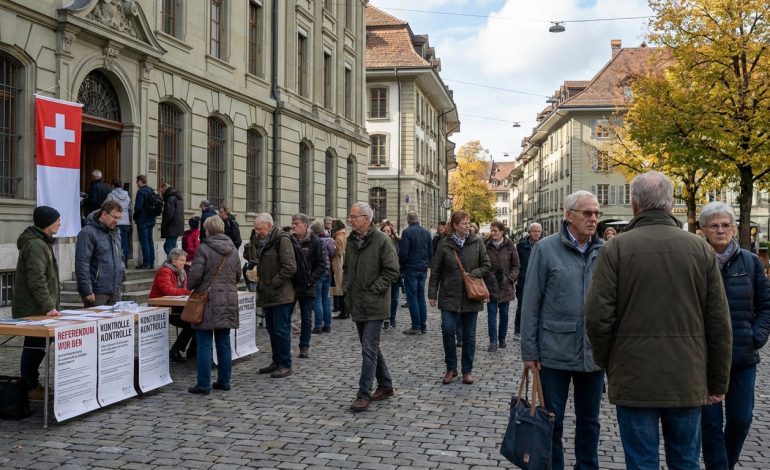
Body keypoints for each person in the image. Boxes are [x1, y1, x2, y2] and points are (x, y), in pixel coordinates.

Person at [584, 172, 732, 470]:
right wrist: (717, 380)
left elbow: (598, 317)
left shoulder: (616, 248)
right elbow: (719, 321)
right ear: (669, 203)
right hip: (687, 375)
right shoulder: (700, 248)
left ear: (635, 205)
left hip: (633, 373)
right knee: (686, 460)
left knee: (641, 462)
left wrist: (609, 363)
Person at [520, 191, 604, 470]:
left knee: (590, 421)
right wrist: (529, 351)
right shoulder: (545, 249)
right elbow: (531, 302)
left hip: (593, 354)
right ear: (569, 216)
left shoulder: (604, 250)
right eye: (587, 213)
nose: (593, 219)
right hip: (553, 351)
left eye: (596, 213)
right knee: (551, 420)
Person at [698, 202, 770, 469]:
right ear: (703, 230)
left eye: (726, 225)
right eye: (714, 226)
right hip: (705, 358)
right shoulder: (697, 261)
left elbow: (766, 305)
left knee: (741, 419)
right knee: (710, 422)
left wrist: (756, 336)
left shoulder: (750, 262)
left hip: (742, 356)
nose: (720, 230)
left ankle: (726, 463)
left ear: (734, 228)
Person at [344, 202, 400, 411]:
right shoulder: (351, 241)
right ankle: (385, 385)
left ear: (366, 219)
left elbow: (392, 271)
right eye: (351, 216)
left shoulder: (382, 240)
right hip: (357, 302)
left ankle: (363, 394)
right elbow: (347, 269)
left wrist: (375, 290)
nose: (351, 219)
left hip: (375, 304)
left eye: (354, 216)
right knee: (371, 348)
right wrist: (348, 292)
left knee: (368, 348)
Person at [429, 210, 491, 385]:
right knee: (448, 330)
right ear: (455, 226)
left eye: (468, 223)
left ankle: (467, 371)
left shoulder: (477, 242)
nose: (467, 226)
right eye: (464, 223)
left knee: (469, 335)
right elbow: (436, 271)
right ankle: (451, 368)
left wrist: (473, 274)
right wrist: (432, 293)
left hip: (471, 295)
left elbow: (487, 265)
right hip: (449, 294)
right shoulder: (444, 244)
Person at [186, 215, 241, 394]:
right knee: (224, 342)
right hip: (228, 299)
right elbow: (238, 275)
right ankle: (224, 380)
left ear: (207, 230)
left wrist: (190, 285)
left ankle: (203, 384)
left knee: (204, 343)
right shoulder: (233, 249)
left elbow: (194, 277)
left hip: (208, 300)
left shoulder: (204, 248)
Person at [13, 206, 61, 399]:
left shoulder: (42, 242)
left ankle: (31, 383)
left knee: (38, 347)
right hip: (33, 309)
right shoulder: (36, 245)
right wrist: (49, 306)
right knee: (34, 347)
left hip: (38, 308)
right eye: (57, 220)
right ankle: (29, 385)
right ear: (47, 223)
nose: (59, 223)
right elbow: (37, 279)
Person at [253, 213, 297, 378]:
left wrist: (273, 283)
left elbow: (290, 267)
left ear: (269, 226)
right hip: (269, 294)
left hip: (280, 294)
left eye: (259, 229)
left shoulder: (282, 240)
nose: (257, 232)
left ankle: (285, 364)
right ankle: (276, 361)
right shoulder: (266, 241)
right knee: (272, 330)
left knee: (281, 330)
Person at [76, 200, 126, 307]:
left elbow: (120, 256)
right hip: (97, 291)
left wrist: (121, 277)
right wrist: (86, 290)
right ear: (104, 214)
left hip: (115, 289)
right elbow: (82, 263)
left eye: (119, 218)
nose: (116, 221)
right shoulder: (87, 232)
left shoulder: (116, 232)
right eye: (114, 217)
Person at [149, 248, 194, 362]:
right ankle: (175, 351)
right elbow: (168, 291)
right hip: (161, 308)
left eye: (184, 260)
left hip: (175, 306)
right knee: (192, 323)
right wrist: (189, 292)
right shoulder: (164, 271)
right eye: (181, 260)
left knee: (197, 320)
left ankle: (192, 351)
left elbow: (183, 289)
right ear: (174, 261)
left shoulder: (181, 272)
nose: (184, 263)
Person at [291, 213, 326, 358]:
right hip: (291, 285)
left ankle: (304, 346)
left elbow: (322, 265)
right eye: (292, 223)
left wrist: (310, 280)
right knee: (285, 317)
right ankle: (285, 347)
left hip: (307, 286)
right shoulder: (290, 240)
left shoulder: (315, 242)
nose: (293, 226)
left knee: (306, 318)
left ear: (305, 225)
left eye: (296, 223)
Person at [484, 221, 520, 352]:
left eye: (495, 231)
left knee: (504, 315)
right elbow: (482, 263)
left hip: (506, 286)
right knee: (491, 315)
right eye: (491, 230)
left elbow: (516, 265)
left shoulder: (510, 246)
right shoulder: (486, 245)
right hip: (491, 286)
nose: (493, 233)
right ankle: (493, 341)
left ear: (501, 232)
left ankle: (502, 339)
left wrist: (510, 278)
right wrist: (487, 276)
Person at [399, 210, 433, 335]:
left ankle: (416, 326)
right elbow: (431, 252)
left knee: (412, 297)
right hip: (423, 269)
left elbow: (403, 253)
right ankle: (423, 326)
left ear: (408, 220)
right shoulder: (426, 233)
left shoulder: (407, 232)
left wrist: (402, 267)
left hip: (410, 268)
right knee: (420, 297)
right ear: (418, 219)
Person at [515, 222, 541, 337]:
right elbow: (517, 264)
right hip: (523, 281)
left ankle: (536, 330)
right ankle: (518, 330)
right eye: (534, 231)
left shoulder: (543, 245)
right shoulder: (521, 246)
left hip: (539, 281)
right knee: (521, 307)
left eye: (539, 231)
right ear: (529, 232)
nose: (537, 233)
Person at [310, 220, 335, 334]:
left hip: (318, 272)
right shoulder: (330, 240)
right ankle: (328, 325)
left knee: (317, 300)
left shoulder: (315, 241)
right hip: (328, 272)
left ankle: (318, 326)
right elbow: (333, 254)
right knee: (326, 299)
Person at [104, 178, 132, 267]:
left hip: (115, 221)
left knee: (115, 242)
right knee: (125, 243)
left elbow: (105, 206)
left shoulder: (111, 195)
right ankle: (126, 263)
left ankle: (118, 263)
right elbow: (129, 207)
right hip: (126, 222)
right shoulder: (127, 195)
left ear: (113, 186)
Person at [380, 221, 401, 329]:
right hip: (384, 275)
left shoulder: (396, 242)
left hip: (395, 276)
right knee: (385, 298)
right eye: (384, 231)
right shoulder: (378, 243)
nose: (386, 233)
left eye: (388, 231)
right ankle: (386, 319)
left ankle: (392, 317)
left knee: (394, 299)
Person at [134, 175, 157, 269]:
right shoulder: (151, 190)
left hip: (143, 220)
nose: (136, 184)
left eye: (137, 182)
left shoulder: (141, 192)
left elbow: (138, 207)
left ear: (140, 181)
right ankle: (151, 262)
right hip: (151, 219)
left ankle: (146, 262)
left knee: (144, 242)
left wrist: (135, 215)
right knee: (150, 241)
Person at [159, 182, 184, 255]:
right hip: (176, 226)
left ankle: (172, 264)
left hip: (171, 227)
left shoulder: (170, 198)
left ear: (164, 188)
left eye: (161, 191)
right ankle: (173, 262)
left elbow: (169, 214)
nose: (161, 193)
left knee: (169, 247)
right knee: (170, 246)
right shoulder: (176, 197)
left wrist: (164, 225)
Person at [331, 219, 348, 319]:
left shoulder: (338, 237)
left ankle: (343, 312)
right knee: (343, 289)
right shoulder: (345, 235)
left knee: (340, 289)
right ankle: (345, 311)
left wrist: (332, 246)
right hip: (344, 263)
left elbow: (339, 252)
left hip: (339, 263)